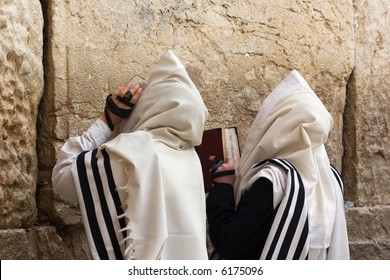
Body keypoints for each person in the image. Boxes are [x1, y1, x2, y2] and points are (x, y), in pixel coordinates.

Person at [52, 50, 209, 260]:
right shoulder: (190, 158)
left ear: (149, 104)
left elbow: (63, 178)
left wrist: (108, 119)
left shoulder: (135, 153)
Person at [206, 70, 350, 260]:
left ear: (278, 125)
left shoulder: (274, 180)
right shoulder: (331, 178)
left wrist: (224, 187)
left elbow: (231, 244)